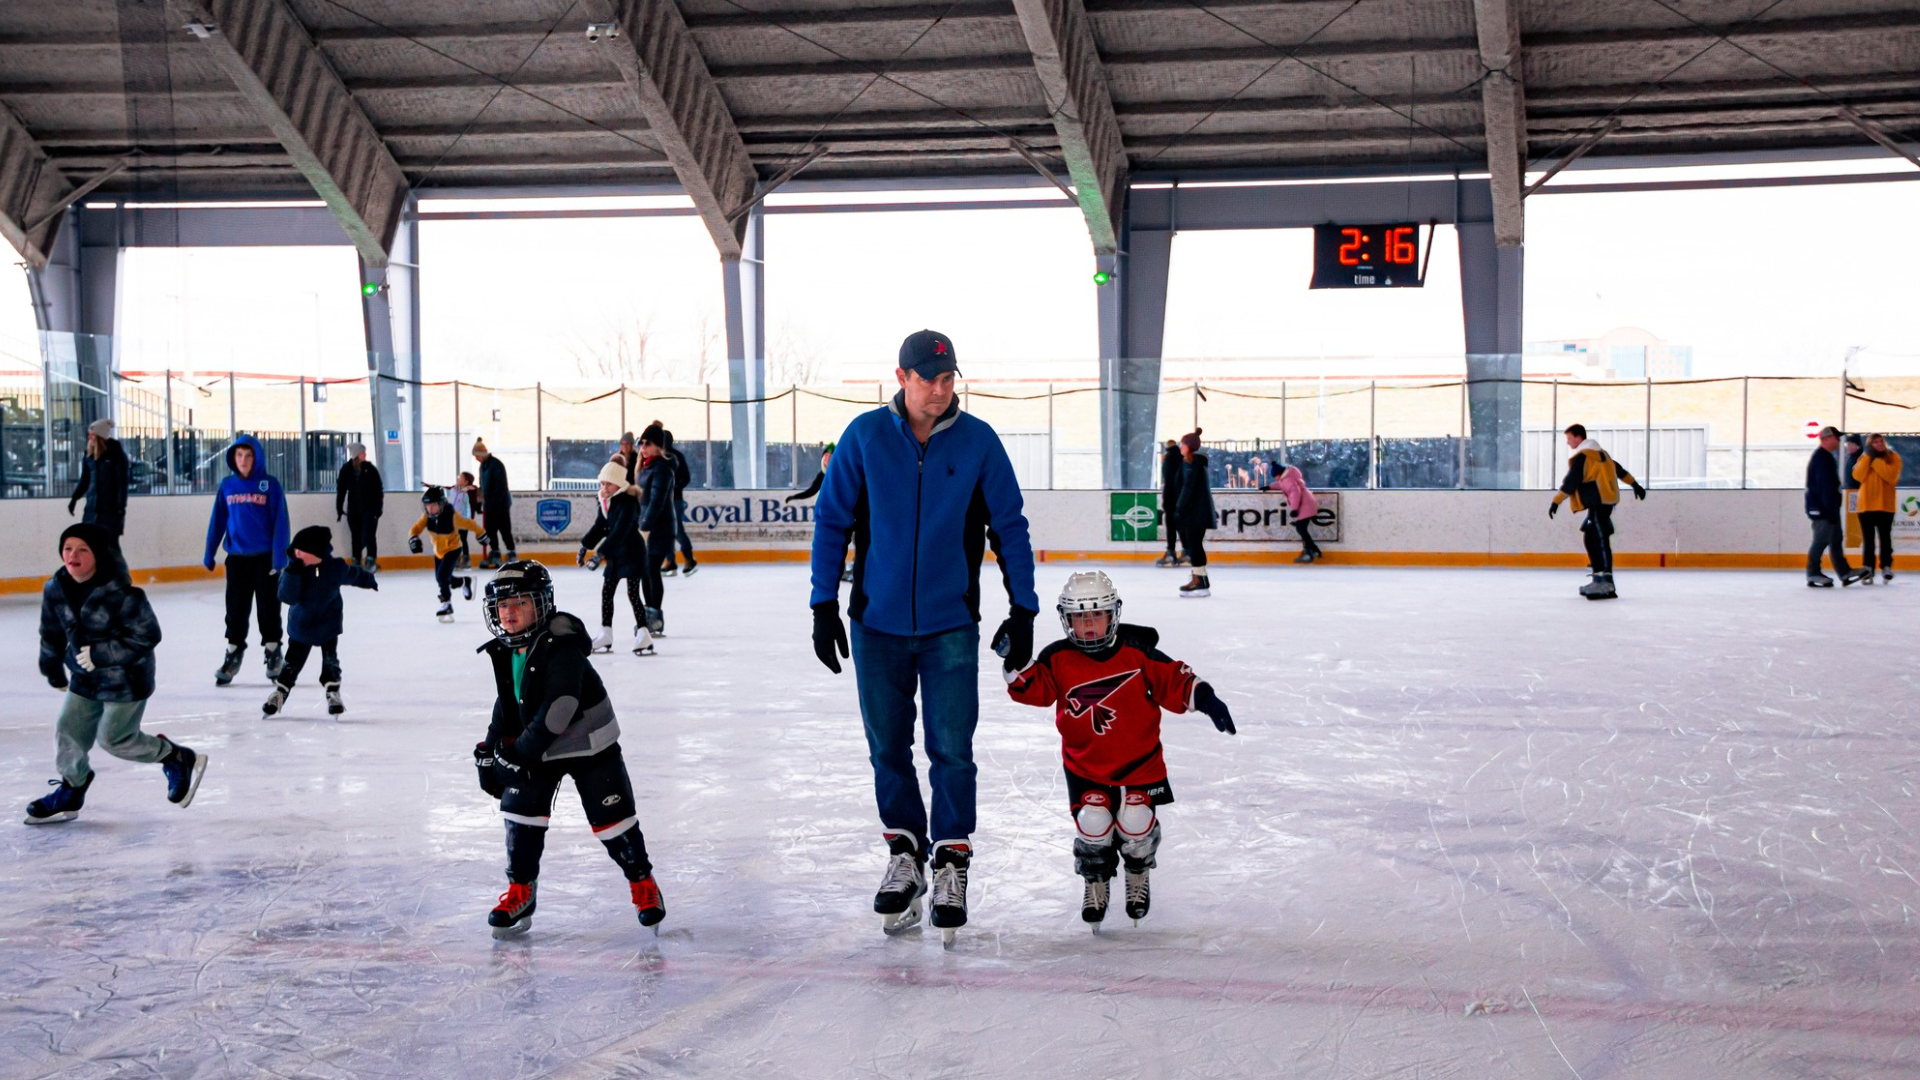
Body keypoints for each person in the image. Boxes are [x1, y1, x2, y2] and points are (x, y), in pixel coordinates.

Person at [809, 328, 1038, 946]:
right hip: (876, 625)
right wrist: (823, 604)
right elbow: (831, 522)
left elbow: (1010, 526)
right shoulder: (864, 437)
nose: (940, 389)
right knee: (887, 748)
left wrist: (1023, 608)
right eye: (928, 379)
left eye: (948, 378)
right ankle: (905, 853)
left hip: (950, 626)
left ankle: (951, 861)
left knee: (951, 749)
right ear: (901, 378)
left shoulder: (978, 440)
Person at [1006, 571, 1235, 928]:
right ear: (1066, 619)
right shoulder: (1057, 657)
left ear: (1113, 614)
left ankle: (1138, 869)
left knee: (1136, 820)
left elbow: (1173, 678)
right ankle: (1095, 878)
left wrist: (1207, 700)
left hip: (1140, 764)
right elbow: (1034, 689)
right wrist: (1014, 661)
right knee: (1093, 821)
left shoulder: (1138, 652)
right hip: (1085, 765)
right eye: (1079, 618)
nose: (1089, 626)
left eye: (1096, 615)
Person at [474, 561, 665, 938]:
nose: (508, 612)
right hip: (540, 745)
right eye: (502, 605)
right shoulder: (508, 648)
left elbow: (558, 709)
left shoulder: (560, 646)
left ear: (542, 605)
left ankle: (642, 882)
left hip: (588, 743)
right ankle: (521, 890)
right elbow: (508, 705)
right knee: (520, 812)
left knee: (612, 819)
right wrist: (491, 748)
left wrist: (517, 756)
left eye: (519, 603)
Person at [26, 524, 205, 824]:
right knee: (68, 730)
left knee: (114, 739)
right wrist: (52, 666)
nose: (73, 555)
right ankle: (72, 788)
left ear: (97, 555)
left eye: (83, 549)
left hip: (126, 679)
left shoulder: (124, 595)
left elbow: (148, 635)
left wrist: (99, 654)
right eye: (68, 548)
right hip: (84, 676)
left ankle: (174, 756)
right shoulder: (55, 588)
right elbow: (51, 631)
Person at [204, 433, 291, 686]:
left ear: (257, 458)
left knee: (269, 608)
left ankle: (274, 653)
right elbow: (217, 520)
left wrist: (279, 559)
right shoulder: (227, 486)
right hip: (237, 559)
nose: (243, 460)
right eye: (239, 455)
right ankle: (233, 654)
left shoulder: (270, 485)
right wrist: (209, 552)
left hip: (265, 560)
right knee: (236, 609)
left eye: (248, 455)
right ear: (233, 458)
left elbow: (281, 523)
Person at [264, 525, 378, 718]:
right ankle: (280, 693)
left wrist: (371, 580)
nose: (296, 554)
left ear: (315, 552)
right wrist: (292, 574)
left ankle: (333, 693)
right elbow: (286, 597)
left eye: (301, 551)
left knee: (330, 662)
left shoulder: (334, 568)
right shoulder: (293, 570)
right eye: (296, 550)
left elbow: (353, 574)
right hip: (301, 626)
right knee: (292, 662)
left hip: (328, 625)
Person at [1549, 423, 1646, 601]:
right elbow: (1619, 470)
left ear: (1578, 437)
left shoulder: (1586, 456)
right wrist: (1635, 485)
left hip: (1598, 502)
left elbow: (1571, 481)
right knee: (1590, 536)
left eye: (1569, 438)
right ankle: (1598, 578)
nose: (1568, 442)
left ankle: (1606, 583)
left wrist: (1556, 501)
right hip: (1603, 502)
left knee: (1600, 539)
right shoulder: (1601, 454)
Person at [579, 460, 655, 656]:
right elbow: (600, 527)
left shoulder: (628, 503)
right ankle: (605, 633)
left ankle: (644, 633)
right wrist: (585, 546)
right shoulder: (607, 502)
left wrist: (600, 554)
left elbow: (620, 532)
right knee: (607, 592)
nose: (604, 488)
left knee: (633, 594)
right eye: (602, 483)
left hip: (632, 553)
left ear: (619, 484)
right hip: (615, 553)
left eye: (609, 484)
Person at [409, 486, 485, 622]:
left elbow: (469, 523)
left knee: (442, 576)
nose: (429, 509)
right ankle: (464, 581)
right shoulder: (427, 517)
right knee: (442, 578)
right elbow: (416, 528)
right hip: (439, 552)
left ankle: (446, 603)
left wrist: (481, 533)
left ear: (441, 504)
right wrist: (413, 537)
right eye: (427, 506)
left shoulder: (452, 516)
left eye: (433, 505)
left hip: (453, 549)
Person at [1805, 426, 1861, 588]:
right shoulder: (1821, 458)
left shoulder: (1827, 457)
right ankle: (1813, 572)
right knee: (1821, 540)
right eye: (1836, 438)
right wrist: (1828, 509)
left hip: (1829, 508)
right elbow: (1824, 487)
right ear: (1826, 439)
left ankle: (1844, 572)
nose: (1839, 441)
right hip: (1822, 509)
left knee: (1836, 540)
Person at [632, 424, 675, 635]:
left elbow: (657, 502)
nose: (643, 447)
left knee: (651, 569)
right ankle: (649, 613)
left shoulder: (662, 469)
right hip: (645, 527)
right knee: (645, 571)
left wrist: (645, 526)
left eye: (647, 443)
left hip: (659, 529)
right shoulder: (645, 468)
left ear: (658, 446)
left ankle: (655, 616)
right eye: (641, 443)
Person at [1851, 432, 1902, 584]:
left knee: (1885, 538)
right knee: (1868, 540)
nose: (1879, 444)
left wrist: (1875, 461)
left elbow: (1890, 476)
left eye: (1881, 441)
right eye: (1875, 442)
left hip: (1885, 505)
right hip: (1866, 505)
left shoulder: (1893, 457)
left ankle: (1886, 566)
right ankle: (1868, 568)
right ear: (1870, 445)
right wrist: (1868, 457)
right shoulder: (1864, 457)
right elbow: (1858, 476)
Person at [67, 418, 129, 538]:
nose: (89, 438)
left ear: (100, 437)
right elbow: (84, 480)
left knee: (110, 544)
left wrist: (120, 507)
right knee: (91, 543)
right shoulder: (89, 457)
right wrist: (74, 498)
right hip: (91, 509)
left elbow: (122, 484)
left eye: (92, 435)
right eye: (89, 434)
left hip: (110, 511)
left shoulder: (116, 456)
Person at [1172, 431, 1215, 597]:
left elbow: (1187, 488)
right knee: (1196, 546)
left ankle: (1199, 581)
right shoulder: (1196, 462)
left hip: (1193, 512)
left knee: (1194, 546)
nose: (1180, 447)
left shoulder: (1191, 463)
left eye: (1182, 444)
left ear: (1188, 446)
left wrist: (1179, 509)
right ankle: (1201, 579)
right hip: (1197, 512)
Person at [334, 442, 384, 573]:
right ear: (356, 454)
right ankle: (356, 559)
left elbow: (378, 490)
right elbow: (341, 490)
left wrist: (378, 508)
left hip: (370, 509)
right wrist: (339, 507)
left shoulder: (370, 469)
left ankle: (371, 559)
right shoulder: (346, 470)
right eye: (362, 452)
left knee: (369, 535)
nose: (365, 454)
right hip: (354, 509)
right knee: (356, 536)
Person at [1267, 460, 1323, 563]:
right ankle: (1311, 550)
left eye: (1275, 476)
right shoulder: (1287, 478)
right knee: (1301, 528)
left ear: (1279, 474)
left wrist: (1294, 509)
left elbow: (1295, 494)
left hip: (1304, 505)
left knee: (1301, 528)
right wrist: (1270, 487)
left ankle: (1311, 551)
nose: (1275, 478)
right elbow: (1280, 485)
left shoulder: (1288, 480)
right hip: (1307, 503)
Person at [474, 439, 516, 569]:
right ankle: (495, 552)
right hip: (489, 504)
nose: (476, 459)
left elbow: (501, 487)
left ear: (482, 454)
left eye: (477, 456)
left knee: (504, 529)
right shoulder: (483, 467)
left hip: (501, 503)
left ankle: (511, 552)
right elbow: (482, 485)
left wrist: (494, 504)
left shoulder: (496, 465)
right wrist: (479, 500)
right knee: (490, 530)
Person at [1154, 440, 1186, 568]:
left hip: (1171, 498)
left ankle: (1171, 553)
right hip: (1182, 497)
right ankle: (1187, 551)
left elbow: (1167, 479)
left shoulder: (1168, 459)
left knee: (1171, 526)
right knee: (1182, 525)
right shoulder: (1183, 458)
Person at [450, 471, 480, 569]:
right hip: (454, 519)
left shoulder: (470, 491)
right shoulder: (455, 490)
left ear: (466, 481)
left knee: (462, 539)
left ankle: (466, 559)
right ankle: (457, 559)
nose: (458, 478)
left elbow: (472, 502)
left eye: (461, 477)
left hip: (464, 519)